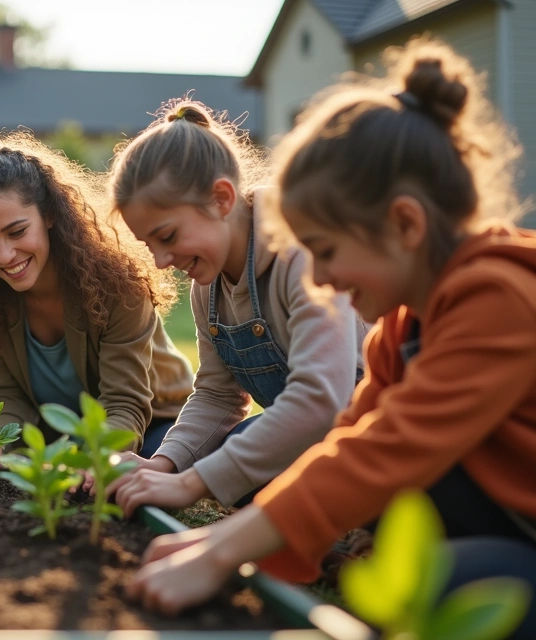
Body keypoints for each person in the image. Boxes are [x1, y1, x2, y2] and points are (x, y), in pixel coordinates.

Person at [128, 41, 536, 638]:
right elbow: (347, 440)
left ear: (404, 225)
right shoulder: (398, 330)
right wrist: (222, 538)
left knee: (434, 589)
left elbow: (389, 449)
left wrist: (220, 554)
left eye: (325, 251)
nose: (318, 278)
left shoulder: (499, 295)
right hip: (498, 522)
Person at [106, 98, 366, 510]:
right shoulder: (206, 285)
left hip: (368, 433)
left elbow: (321, 399)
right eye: (149, 245)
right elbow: (216, 393)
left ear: (222, 199)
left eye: (168, 236)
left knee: (242, 452)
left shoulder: (300, 252)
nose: (161, 261)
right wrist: (164, 465)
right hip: (312, 440)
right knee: (239, 459)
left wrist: (193, 484)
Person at [0, 132, 193, 454]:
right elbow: (7, 396)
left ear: (49, 215)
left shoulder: (118, 286)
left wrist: (93, 463)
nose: (4, 256)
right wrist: (1, 450)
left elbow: (124, 405)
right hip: (60, 436)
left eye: (17, 232)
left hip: (154, 423)